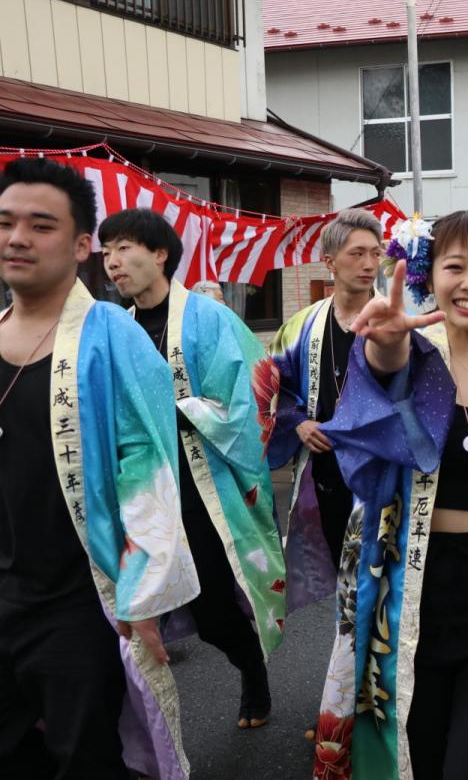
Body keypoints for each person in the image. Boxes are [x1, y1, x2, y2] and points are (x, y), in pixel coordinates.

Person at [309, 210, 468, 780]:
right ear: (431, 275)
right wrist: (385, 352)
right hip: (409, 601)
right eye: (456, 267)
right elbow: (371, 415)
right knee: (417, 761)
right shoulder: (410, 352)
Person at [0, 158, 200, 778]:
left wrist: (143, 596)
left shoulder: (112, 334)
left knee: (82, 756)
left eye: (41, 226)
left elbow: (148, 465)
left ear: (81, 244)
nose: (17, 238)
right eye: (5, 223)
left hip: (79, 600)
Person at [100, 208, 286, 729]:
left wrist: (172, 410)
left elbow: (254, 396)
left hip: (205, 488)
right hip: (143, 489)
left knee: (213, 611)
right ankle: (144, 731)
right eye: (106, 251)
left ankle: (251, 666)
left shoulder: (210, 319)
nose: (112, 262)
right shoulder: (115, 329)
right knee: (142, 604)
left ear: (160, 254)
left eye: (124, 248)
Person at [268, 209, 383, 607]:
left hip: (380, 468)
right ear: (330, 262)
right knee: (342, 572)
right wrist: (298, 422)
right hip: (325, 467)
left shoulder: (393, 322)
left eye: (375, 253)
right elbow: (272, 385)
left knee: (382, 578)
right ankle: (350, 641)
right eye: (357, 254)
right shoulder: (302, 325)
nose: (369, 264)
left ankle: (367, 642)